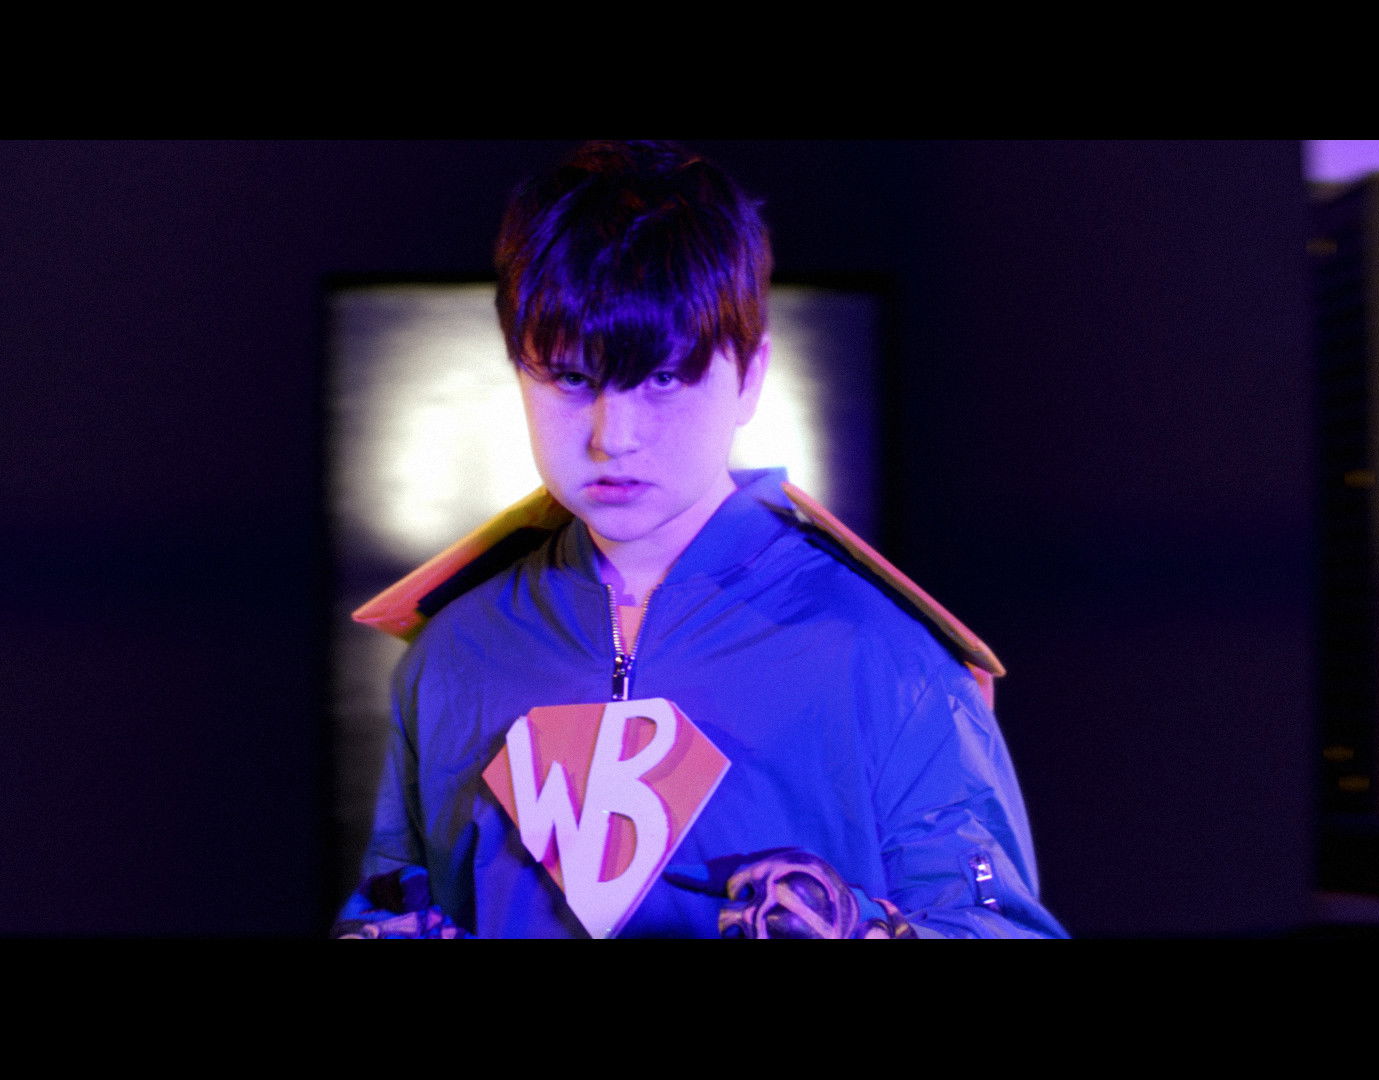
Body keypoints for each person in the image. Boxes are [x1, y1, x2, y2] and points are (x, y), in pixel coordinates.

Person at [335, 141, 1065, 939]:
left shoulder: (885, 657)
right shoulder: (452, 656)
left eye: (664, 377)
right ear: (520, 373)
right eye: (572, 378)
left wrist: (863, 931)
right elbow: (393, 896)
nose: (615, 437)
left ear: (750, 375)